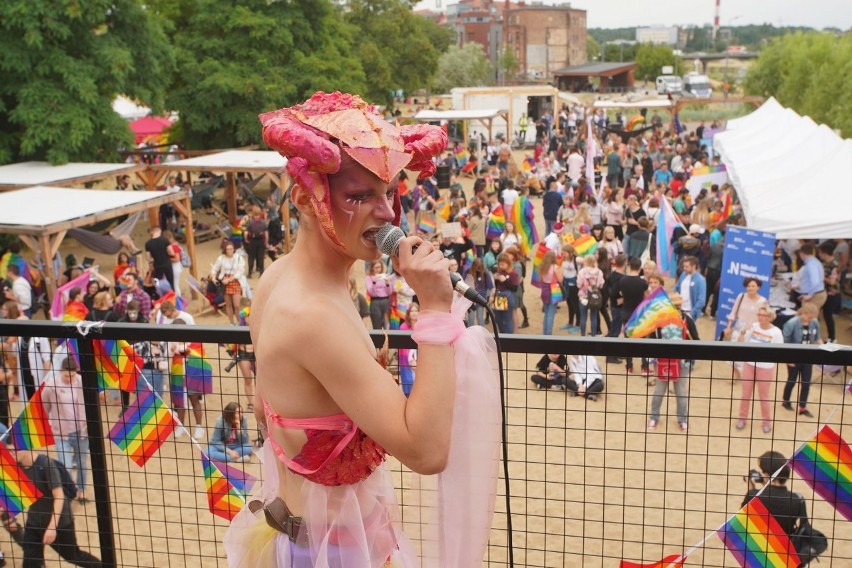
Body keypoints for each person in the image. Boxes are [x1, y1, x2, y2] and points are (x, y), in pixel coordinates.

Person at [224, 91, 499, 567]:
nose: (389, 213)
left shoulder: (280, 277)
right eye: (360, 196)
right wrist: (435, 310)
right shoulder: (313, 315)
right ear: (308, 199)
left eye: (389, 192)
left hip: (309, 539)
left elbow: (266, 412)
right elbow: (428, 451)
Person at [9, 446, 102, 567]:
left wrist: (52, 528)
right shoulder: (13, 467)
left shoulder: (46, 464)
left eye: (14, 449)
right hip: (34, 521)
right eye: (7, 450)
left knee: (73, 556)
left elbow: (59, 497)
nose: (11, 453)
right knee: (30, 562)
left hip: (59, 522)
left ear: (26, 447)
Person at [40, 357, 90, 503]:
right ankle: (69, 492)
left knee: (82, 463)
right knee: (66, 466)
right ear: (61, 371)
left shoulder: (82, 382)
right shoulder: (50, 386)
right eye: (66, 376)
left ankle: (82, 491)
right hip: (61, 433)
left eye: (72, 375)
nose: (70, 378)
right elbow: (44, 408)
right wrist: (51, 425)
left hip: (81, 430)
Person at [647, 293, 696, 432]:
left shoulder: (687, 320)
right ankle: (654, 417)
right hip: (663, 361)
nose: (676, 307)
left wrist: (689, 357)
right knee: (659, 390)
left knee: (680, 391)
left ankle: (682, 419)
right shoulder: (660, 321)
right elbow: (652, 339)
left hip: (681, 362)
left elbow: (696, 339)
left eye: (678, 305)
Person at [737, 306, 783, 434]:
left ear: (770, 317)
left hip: (765, 367)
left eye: (764, 315)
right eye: (759, 314)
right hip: (749, 364)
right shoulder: (754, 326)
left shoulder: (776, 332)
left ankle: (766, 422)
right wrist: (743, 332)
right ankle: (742, 419)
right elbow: (741, 343)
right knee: (745, 394)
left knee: (764, 396)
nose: (761, 317)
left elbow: (779, 351)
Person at [741, 450, 808, 537]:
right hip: (784, 547)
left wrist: (751, 490)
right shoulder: (797, 499)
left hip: (758, 546)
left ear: (767, 474)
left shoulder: (754, 496)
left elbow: (741, 521)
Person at [781, 303, 821, 418]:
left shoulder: (815, 322)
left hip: (808, 357)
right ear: (804, 313)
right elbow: (786, 342)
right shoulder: (792, 323)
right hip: (794, 356)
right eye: (810, 317)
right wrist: (788, 359)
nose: (812, 319)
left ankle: (803, 407)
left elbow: (817, 338)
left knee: (806, 383)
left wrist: (826, 347)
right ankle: (786, 400)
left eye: (813, 317)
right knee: (791, 381)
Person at [210, 241, 246, 325]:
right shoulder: (221, 258)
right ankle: (231, 322)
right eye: (228, 249)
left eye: (231, 249)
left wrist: (230, 279)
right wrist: (213, 278)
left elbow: (241, 271)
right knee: (228, 304)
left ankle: (240, 322)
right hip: (225, 283)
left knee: (237, 305)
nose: (230, 250)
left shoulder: (238, 258)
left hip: (235, 281)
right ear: (225, 250)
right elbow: (215, 269)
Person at [577, 254, 605, 337]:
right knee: (594, 317)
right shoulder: (599, 272)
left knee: (583, 317)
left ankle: (583, 335)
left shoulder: (582, 272)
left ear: (585, 261)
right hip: (594, 297)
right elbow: (601, 285)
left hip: (583, 297)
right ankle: (593, 336)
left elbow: (579, 285)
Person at [493, 252, 520, 333]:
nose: (501, 266)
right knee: (498, 319)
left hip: (507, 297)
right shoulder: (500, 272)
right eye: (499, 264)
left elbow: (514, 288)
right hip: (499, 296)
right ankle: (503, 336)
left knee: (506, 320)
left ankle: (508, 338)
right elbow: (497, 286)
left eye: (503, 264)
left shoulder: (513, 274)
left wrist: (505, 281)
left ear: (508, 263)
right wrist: (496, 279)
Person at [674, 256, 706, 322]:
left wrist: (692, 313)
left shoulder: (701, 280)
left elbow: (701, 301)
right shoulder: (683, 275)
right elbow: (676, 288)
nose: (684, 268)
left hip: (690, 313)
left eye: (687, 266)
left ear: (694, 266)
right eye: (684, 266)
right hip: (680, 310)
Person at [464, 258, 493, 327]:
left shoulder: (485, 273)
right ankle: (470, 335)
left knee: (480, 318)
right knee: (471, 318)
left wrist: (491, 296)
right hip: (470, 299)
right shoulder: (468, 271)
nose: (478, 269)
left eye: (480, 267)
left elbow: (491, 286)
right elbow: (464, 284)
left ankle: (482, 334)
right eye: (477, 267)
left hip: (481, 299)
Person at [398, 303, 419, 397]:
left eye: (416, 311)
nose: (414, 313)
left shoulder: (422, 326)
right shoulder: (403, 327)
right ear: (408, 313)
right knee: (409, 382)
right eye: (412, 311)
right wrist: (411, 360)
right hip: (406, 360)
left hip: (420, 358)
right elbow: (403, 348)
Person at [144, 226, 174, 292]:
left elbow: (148, 258)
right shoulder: (165, 240)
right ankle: (173, 297)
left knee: (157, 283)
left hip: (157, 265)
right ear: (159, 231)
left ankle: (161, 296)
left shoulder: (148, 244)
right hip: (167, 263)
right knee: (170, 282)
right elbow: (171, 253)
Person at [364, 259, 391, 330]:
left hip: (386, 300)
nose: (378, 269)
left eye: (379, 267)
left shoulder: (384, 276)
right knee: (377, 324)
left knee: (386, 324)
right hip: (375, 301)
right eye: (376, 267)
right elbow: (371, 292)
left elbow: (389, 292)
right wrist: (374, 282)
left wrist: (387, 283)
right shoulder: (369, 278)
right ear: (372, 268)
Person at [243, 205, 269, 278]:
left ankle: (249, 273)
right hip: (261, 241)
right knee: (260, 257)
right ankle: (261, 273)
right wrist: (266, 241)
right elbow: (266, 233)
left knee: (251, 257)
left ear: (253, 213)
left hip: (252, 241)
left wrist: (246, 239)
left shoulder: (250, 222)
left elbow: (246, 233)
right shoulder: (263, 222)